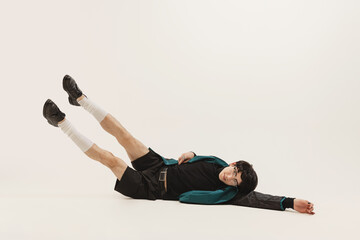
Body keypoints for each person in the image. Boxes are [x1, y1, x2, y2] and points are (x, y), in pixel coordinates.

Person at [42, 75, 315, 215]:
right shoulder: (217, 163)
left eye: (234, 181)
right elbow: (197, 160)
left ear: (234, 189)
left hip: (149, 189)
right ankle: (80, 99)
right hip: (160, 165)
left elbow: (256, 198)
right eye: (234, 171)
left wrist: (290, 202)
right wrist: (193, 153)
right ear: (233, 164)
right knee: (125, 135)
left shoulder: (227, 193)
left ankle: (61, 123)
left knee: (111, 158)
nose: (229, 177)